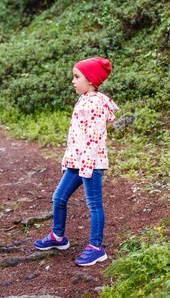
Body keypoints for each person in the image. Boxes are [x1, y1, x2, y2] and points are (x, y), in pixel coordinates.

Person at [34, 57, 119, 266]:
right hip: (76, 162)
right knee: (59, 197)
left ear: (90, 80)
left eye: (77, 76)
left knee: (94, 205)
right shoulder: (83, 99)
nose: (73, 81)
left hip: (91, 164)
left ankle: (96, 248)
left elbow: (94, 137)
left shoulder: (96, 104)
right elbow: (76, 136)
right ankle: (58, 236)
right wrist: (68, 160)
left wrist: (87, 167)